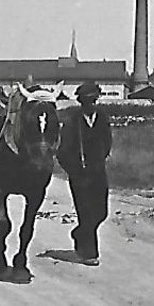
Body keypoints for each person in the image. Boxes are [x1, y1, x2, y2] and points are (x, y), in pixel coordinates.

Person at [56, 80, 111, 265]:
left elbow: (107, 143)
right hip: (79, 176)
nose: (92, 104)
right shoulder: (72, 121)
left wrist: (98, 161)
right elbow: (62, 152)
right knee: (85, 213)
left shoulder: (102, 118)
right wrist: (75, 171)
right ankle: (89, 253)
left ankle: (78, 233)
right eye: (89, 101)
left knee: (101, 212)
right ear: (82, 102)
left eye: (95, 100)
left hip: (98, 173)